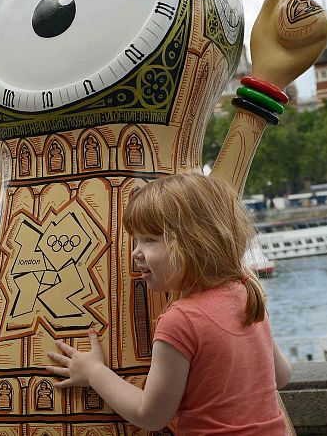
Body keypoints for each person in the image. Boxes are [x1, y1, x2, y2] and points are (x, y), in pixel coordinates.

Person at [47, 173, 292, 434]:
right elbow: (281, 376)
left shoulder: (181, 320)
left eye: (149, 240)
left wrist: (94, 371)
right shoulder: (245, 293)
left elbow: (150, 415)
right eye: (136, 240)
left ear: (192, 243)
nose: (135, 253)